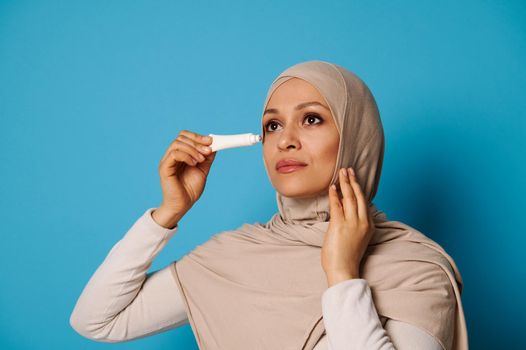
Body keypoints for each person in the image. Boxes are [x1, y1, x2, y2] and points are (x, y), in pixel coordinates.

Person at [70, 60, 468, 349]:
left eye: (311, 119)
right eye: (272, 125)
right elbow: (97, 320)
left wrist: (343, 273)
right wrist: (166, 214)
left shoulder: (414, 268)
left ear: (356, 137)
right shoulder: (235, 257)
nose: (285, 140)